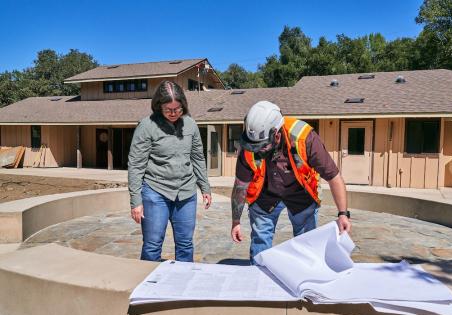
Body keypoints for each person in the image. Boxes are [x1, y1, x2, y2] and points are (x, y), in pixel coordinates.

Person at [230, 100, 351, 263]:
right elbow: (240, 186)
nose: (256, 150)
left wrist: (343, 214)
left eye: (262, 146)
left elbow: (333, 176)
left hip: (300, 193)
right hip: (265, 194)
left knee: (306, 244)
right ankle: (258, 277)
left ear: (277, 135)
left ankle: (304, 278)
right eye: (254, 146)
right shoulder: (249, 146)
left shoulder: (305, 139)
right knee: (260, 241)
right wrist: (236, 221)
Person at [128, 80, 211, 262]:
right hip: (156, 192)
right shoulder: (147, 126)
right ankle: (148, 287)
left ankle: (182, 285)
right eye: (168, 110)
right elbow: (136, 165)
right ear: (159, 106)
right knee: (152, 244)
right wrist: (136, 201)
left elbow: (197, 157)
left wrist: (205, 187)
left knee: (185, 244)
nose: (173, 113)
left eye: (177, 109)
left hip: (186, 193)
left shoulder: (190, 124)